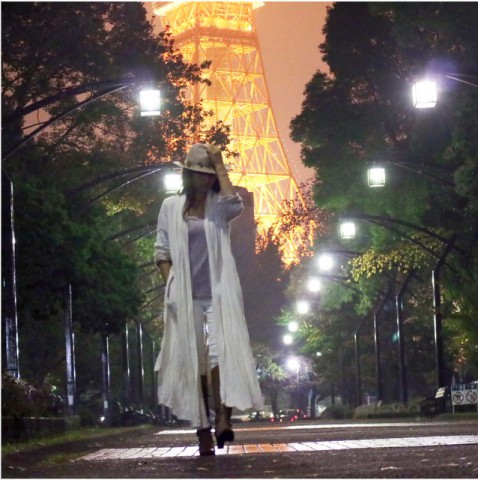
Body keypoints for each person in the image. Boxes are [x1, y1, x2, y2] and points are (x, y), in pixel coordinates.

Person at [153, 143, 263, 456]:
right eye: (199, 173)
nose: (205, 178)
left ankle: (223, 419)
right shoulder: (170, 207)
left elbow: (235, 205)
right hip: (185, 296)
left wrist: (219, 162)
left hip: (219, 294)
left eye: (209, 174)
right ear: (187, 175)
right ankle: (202, 429)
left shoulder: (219, 206)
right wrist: (172, 285)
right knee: (193, 360)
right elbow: (162, 252)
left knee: (220, 355)